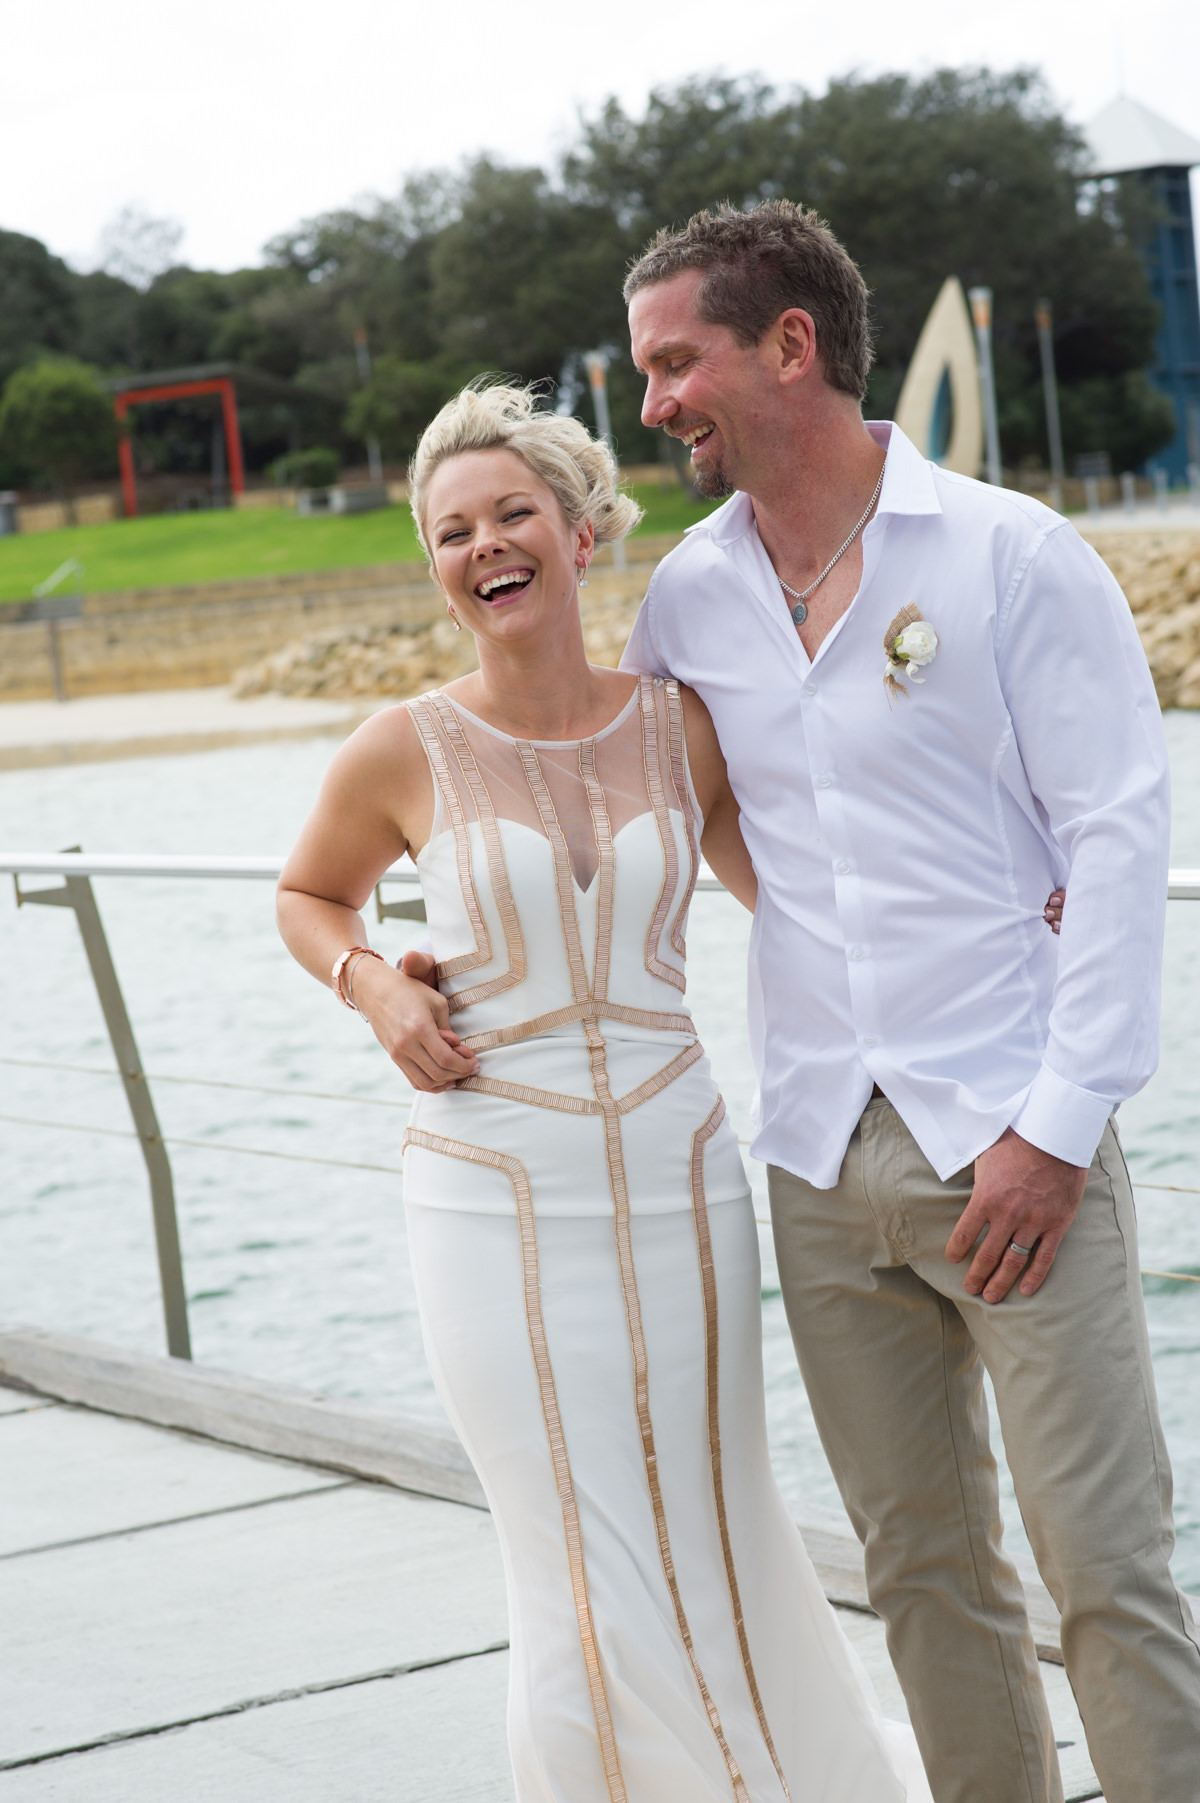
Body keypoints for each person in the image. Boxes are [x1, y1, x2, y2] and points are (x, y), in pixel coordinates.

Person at [276, 383, 935, 1800]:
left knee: (712, 1501)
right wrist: (374, 987)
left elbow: (813, 902)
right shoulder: (401, 746)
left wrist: (1005, 913)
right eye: (454, 530)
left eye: (515, 513)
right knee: (564, 1530)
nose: (487, 545)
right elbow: (308, 895)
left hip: (682, 1176)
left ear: (583, 534)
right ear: (436, 565)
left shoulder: (681, 728)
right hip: (488, 1188)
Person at [619, 199, 1200, 1803]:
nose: (654, 401)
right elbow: (718, 812)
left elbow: (1118, 835)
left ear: (788, 346)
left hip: (1016, 1143)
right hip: (815, 1156)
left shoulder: (1011, 555)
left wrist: (1059, 1133)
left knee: (1108, 1576)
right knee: (925, 1579)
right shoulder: (689, 594)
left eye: (678, 361)